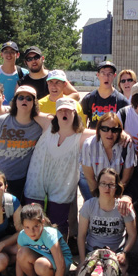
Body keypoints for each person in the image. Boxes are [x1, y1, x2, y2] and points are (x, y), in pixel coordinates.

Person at [24, 98, 93, 236]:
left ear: (74, 113)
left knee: (58, 225)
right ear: (56, 113)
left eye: (68, 110)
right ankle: (32, 252)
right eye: (61, 110)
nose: (64, 113)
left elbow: (105, 132)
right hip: (36, 183)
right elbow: (26, 110)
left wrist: (123, 135)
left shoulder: (81, 135)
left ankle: (58, 254)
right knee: (31, 221)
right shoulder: (47, 123)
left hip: (62, 188)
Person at [0, 85, 52, 202]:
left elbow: (52, 121)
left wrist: (36, 114)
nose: (24, 100)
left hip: (18, 179)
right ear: (15, 101)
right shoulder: (1, 121)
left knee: (12, 214)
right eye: (20, 97)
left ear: (34, 103)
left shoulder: (38, 127)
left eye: (29, 99)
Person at [13, 204, 73, 276]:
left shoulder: (49, 235)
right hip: (42, 256)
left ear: (42, 222)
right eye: (27, 227)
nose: (32, 232)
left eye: (36, 226)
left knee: (40, 265)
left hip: (61, 261)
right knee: (21, 253)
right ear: (22, 225)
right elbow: (19, 262)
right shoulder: (22, 235)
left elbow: (61, 266)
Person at [77, 168, 137, 276]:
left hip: (116, 252)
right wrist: (82, 260)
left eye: (111, 185)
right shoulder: (89, 206)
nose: (107, 188)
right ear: (98, 185)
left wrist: (124, 252)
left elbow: (132, 235)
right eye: (103, 184)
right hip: (93, 251)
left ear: (117, 187)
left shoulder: (123, 207)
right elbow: (81, 235)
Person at [80, 111, 137, 194]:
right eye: (105, 129)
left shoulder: (127, 146)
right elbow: (90, 178)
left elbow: (125, 179)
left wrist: (115, 196)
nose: (110, 133)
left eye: (114, 130)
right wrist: (99, 199)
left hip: (117, 188)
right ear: (99, 130)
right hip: (92, 185)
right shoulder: (88, 145)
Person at [80, 61, 129, 129]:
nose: (106, 77)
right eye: (103, 73)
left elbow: (127, 126)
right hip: (93, 137)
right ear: (98, 75)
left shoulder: (122, 101)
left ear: (114, 75)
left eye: (110, 74)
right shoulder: (88, 99)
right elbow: (82, 125)